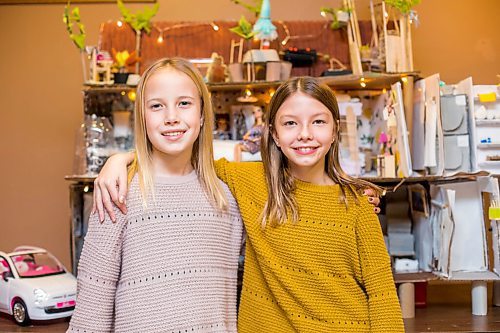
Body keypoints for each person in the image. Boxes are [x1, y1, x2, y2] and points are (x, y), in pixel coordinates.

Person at [94, 77, 401, 332]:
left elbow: (383, 294)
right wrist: (119, 159)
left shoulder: (358, 204)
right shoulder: (251, 181)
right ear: (275, 135)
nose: (305, 134)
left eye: (318, 122)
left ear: (335, 130)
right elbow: (182, 153)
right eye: (291, 123)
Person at [68, 58, 243, 333]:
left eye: (184, 103)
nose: (171, 116)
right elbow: (93, 302)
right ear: (143, 117)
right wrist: (121, 159)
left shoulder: (226, 197)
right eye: (156, 106)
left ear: (202, 114)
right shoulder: (119, 192)